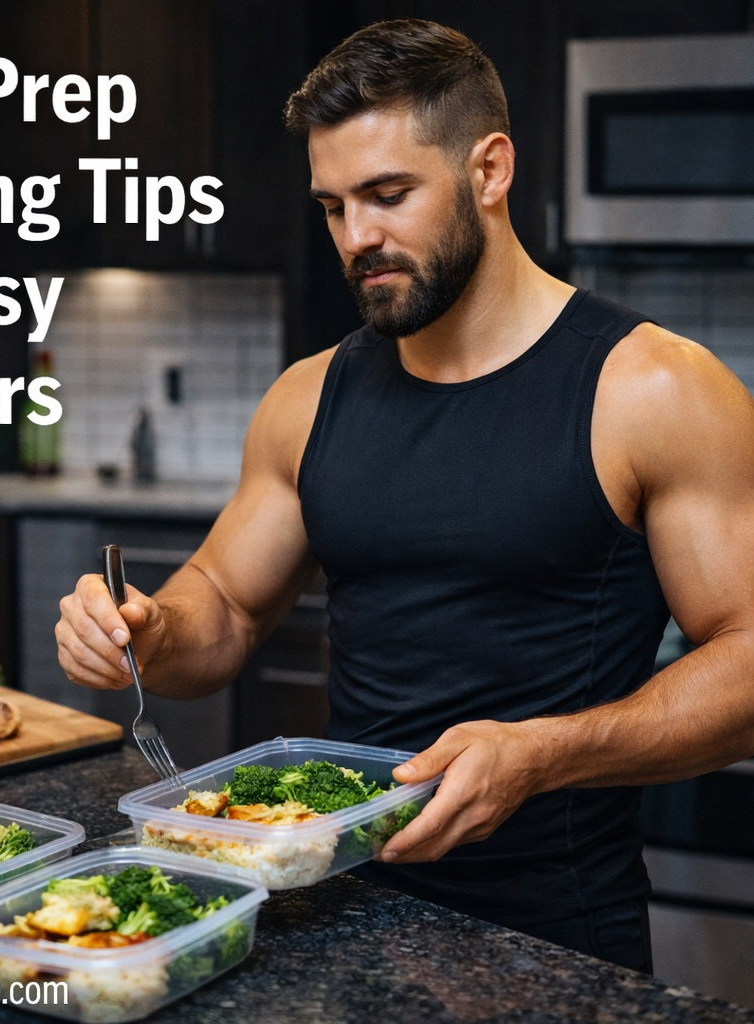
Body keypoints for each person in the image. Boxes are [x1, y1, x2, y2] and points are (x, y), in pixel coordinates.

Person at [55, 19, 754, 971]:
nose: (358, 238)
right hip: (330, 910)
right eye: (334, 206)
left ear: (490, 170)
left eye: (388, 195)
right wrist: (144, 632)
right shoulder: (310, 396)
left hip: (550, 936)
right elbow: (221, 604)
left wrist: (542, 753)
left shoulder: (653, 390)